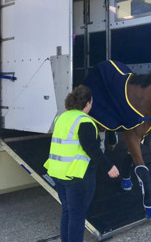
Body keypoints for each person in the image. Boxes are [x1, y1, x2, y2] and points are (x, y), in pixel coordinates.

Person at [44, 85, 120, 242]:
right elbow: (92, 149)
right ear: (87, 103)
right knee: (77, 215)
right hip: (77, 176)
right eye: (91, 102)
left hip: (58, 173)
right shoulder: (84, 121)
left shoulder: (61, 117)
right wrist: (109, 166)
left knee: (68, 211)